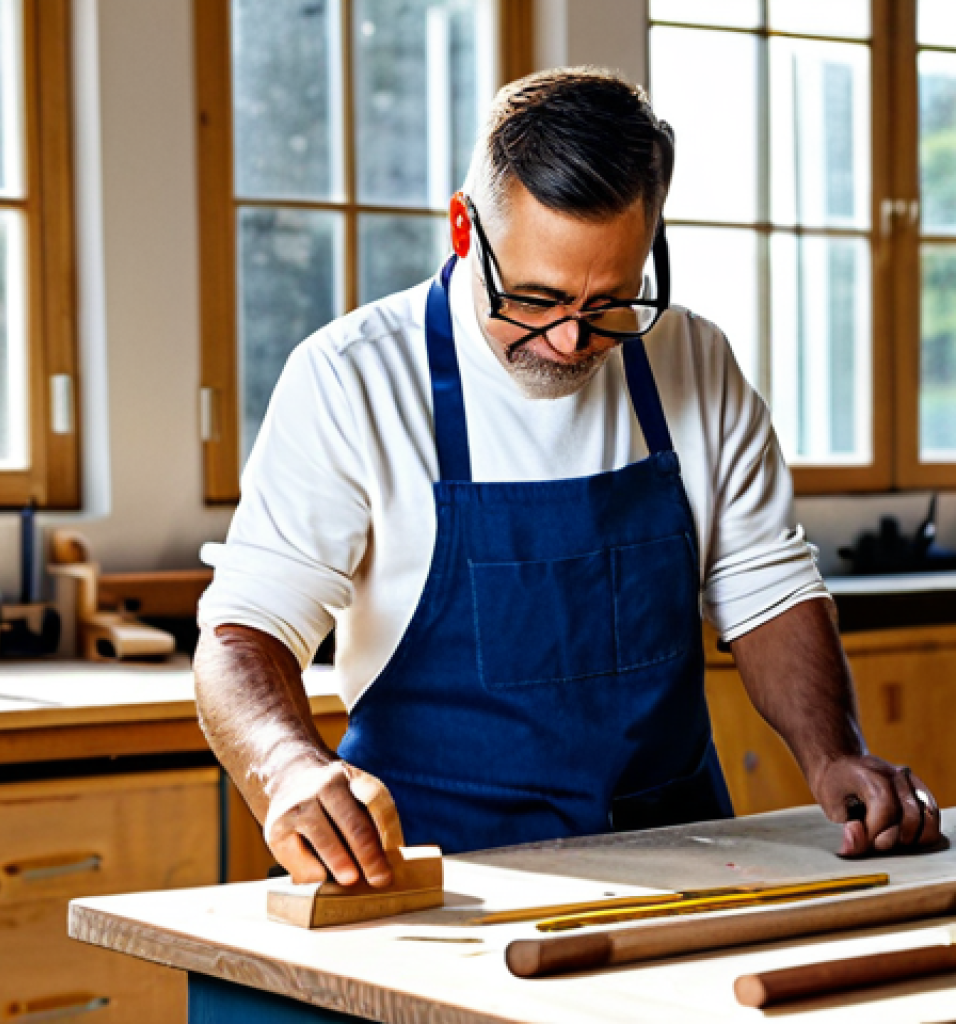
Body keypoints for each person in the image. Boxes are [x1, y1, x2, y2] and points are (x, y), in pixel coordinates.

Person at [194, 67, 942, 889]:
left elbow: (767, 590)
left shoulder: (692, 360)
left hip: (680, 861)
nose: (568, 339)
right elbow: (244, 630)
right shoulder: (352, 379)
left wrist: (834, 753)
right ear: (462, 228)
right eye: (537, 298)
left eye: (610, 302)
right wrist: (286, 768)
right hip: (434, 878)